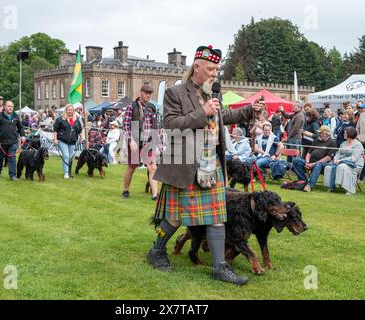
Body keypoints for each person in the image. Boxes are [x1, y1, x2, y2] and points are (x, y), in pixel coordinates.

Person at [147, 45, 264, 286]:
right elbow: (171, 124)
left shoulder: (213, 95)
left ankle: (220, 266)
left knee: (216, 217)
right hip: (185, 164)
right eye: (211, 69)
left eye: (217, 69)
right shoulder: (175, 93)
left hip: (211, 165)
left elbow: (222, 118)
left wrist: (248, 112)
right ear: (196, 67)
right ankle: (156, 250)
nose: (215, 73)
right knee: (174, 218)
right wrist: (202, 111)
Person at [122, 82, 162, 200]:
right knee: (132, 167)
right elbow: (126, 125)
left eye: (150, 93)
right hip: (135, 140)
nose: (148, 95)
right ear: (141, 92)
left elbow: (156, 126)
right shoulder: (132, 106)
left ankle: (155, 195)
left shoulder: (152, 107)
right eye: (146, 93)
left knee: (152, 167)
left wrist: (159, 143)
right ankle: (125, 190)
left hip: (148, 142)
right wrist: (130, 141)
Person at [292, 126, 337, 192]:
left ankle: (310, 185)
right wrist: (307, 162)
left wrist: (312, 164)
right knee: (296, 160)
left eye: (321, 133)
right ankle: (303, 181)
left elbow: (328, 158)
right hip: (310, 163)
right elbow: (309, 153)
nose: (319, 134)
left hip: (322, 165)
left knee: (318, 164)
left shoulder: (332, 142)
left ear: (326, 134)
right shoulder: (316, 140)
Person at [0, 101, 25, 180]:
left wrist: (23, 136)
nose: (10, 108)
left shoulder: (16, 116)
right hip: (1, 142)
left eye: (12, 106)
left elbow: (20, 127)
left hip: (12, 141)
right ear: (5, 107)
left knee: (12, 158)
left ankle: (12, 175)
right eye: (9, 106)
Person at [323, 127, 364, 195]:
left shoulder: (358, 145)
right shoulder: (343, 143)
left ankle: (349, 189)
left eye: (345, 133)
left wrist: (341, 160)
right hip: (341, 162)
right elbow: (338, 153)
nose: (344, 134)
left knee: (342, 166)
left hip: (355, 164)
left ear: (350, 134)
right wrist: (336, 159)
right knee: (328, 167)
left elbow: (354, 158)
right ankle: (331, 186)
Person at [53, 104, 83, 179]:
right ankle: (66, 173)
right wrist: (55, 139)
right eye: (69, 110)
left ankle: (69, 172)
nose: (70, 111)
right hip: (62, 140)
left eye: (72, 110)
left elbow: (79, 130)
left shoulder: (76, 119)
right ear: (66, 110)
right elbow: (55, 130)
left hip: (72, 141)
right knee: (66, 156)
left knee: (70, 157)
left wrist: (81, 137)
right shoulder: (60, 119)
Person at [356, 103, 365, 182]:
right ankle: (361, 177)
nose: (361, 110)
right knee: (361, 158)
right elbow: (357, 127)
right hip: (362, 140)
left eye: (362, 108)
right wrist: (358, 137)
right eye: (361, 108)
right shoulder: (361, 115)